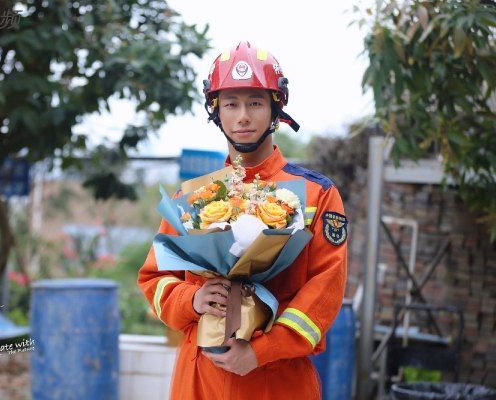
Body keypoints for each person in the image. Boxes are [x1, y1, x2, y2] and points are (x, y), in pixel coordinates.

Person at [138, 40, 348, 400]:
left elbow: (325, 291)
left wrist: (262, 351)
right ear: (216, 112)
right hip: (198, 379)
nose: (243, 116)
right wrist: (192, 299)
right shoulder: (191, 199)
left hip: (277, 381)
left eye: (255, 102)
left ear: (276, 109)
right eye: (231, 104)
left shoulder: (316, 194)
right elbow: (154, 280)